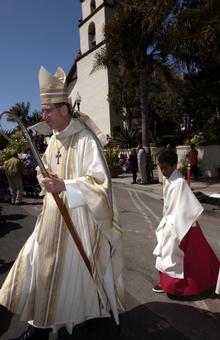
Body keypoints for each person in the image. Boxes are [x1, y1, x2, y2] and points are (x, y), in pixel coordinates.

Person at [0, 66, 124, 339]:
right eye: (43, 110)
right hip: (51, 219)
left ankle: (71, 321)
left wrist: (65, 185)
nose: (43, 115)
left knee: (70, 278)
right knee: (36, 267)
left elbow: (101, 184)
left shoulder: (86, 139)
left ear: (64, 110)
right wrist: (45, 180)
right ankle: (39, 326)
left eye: (47, 110)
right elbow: (43, 170)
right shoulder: (53, 142)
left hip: (77, 224)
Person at [152, 149, 219, 296]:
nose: (163, 171)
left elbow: (184, 207)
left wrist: (173, 229)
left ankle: (177, 285)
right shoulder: (168, 179)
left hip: (183, 225)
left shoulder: (179, 182)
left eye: (165, 168)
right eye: (160, 167)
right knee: (171, 255)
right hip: (171, 222)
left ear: (174, 166)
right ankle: (166, 282)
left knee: (178, 256)